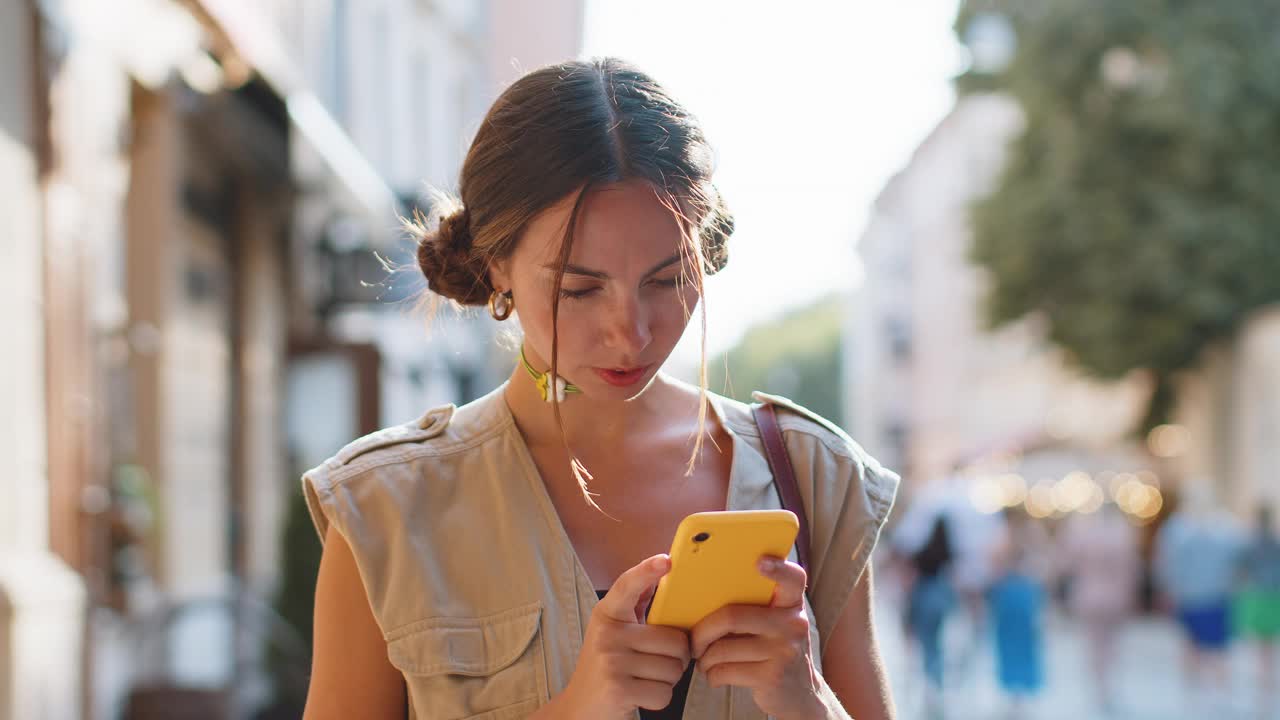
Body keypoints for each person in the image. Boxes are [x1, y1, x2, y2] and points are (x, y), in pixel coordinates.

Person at [300, 58, 901, 720]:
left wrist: (808, 702)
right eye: (579, 289)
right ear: (496, 265)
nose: (631, 333)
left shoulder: (815, 476)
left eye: (669, 278)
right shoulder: (385, 507)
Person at [1154, 482, 1245, 715]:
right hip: (1199, 596)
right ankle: (1203, 693)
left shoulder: (1217, 526)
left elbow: (1167, 564)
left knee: (1207, 648)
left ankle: (1208, 693)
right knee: (1201, 647)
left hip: (1209, 596)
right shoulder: (1186, 527)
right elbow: (1168, 564)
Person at [1058, 502, 1142, 715]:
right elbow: (1131, 569)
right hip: (1114, 596)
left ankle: (1099, 690)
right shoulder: (1122, 534)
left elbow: (1067, 564)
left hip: (1089, 594)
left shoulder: (1084, 533)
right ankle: (1110, 689)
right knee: (1113, 645)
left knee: (1093, 646)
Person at [986, 509, 1047, 720]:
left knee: (1013, 646)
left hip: (1012, 595)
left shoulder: (1003, 538)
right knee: (1020, 646)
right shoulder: (1030, 535)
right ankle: (1018, 695)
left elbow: (994, 565)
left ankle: (1015, 695)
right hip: (1020, 595)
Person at [1236, 505, 1280, 717]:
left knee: (1262, 642)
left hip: (1260, 594)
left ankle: (1264, 677)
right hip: (1273, 594)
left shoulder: (1251, 542)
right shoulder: (1275, 541)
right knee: (1269, 641)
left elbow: (1242, 568)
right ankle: (1268, 678)